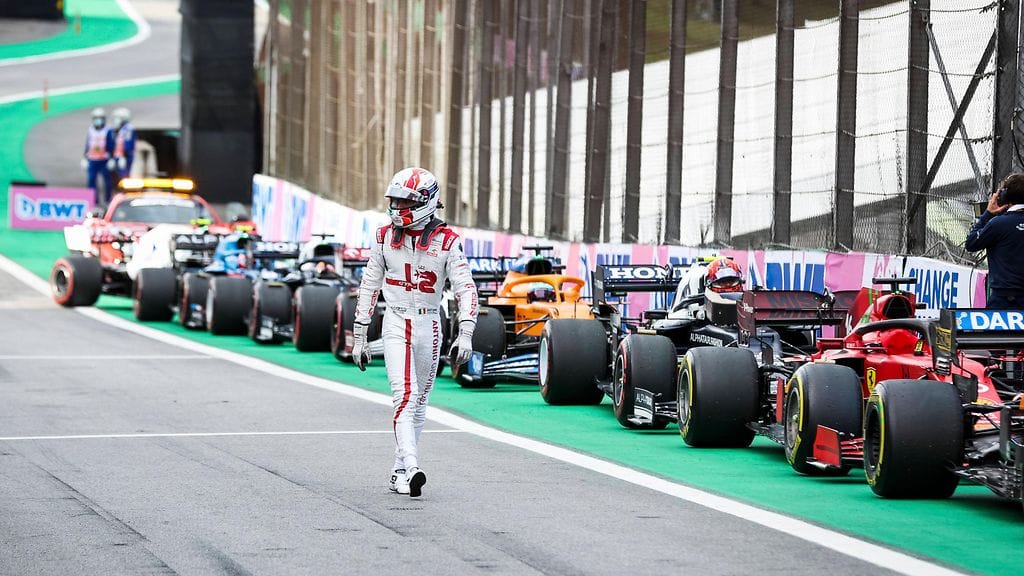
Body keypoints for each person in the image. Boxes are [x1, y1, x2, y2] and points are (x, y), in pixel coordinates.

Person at [351, 166, 478, 498]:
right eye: (394, 201)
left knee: (420, 401)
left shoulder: (448, 241)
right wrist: (360, 334)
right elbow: (368, 285)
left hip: (430, 323)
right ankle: (412, 466)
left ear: (425, 202)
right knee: (404, 397)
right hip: (394, 321)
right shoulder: (382, 237)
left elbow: (466, 289)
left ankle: (398, 472)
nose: (397, 209)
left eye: (405, 202)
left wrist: (466, 332)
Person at [965, 173, 1024, 309]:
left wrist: (988, 214)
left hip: (1004, 300)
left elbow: (971, 243)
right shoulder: (999, 223)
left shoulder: (998, 224)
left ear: (1003, 197)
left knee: (996, 331)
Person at [81, 107, 115, 205]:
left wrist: (111, 158)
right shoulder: (91, 129)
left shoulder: (108, 130)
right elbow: (88, 144)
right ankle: (93, 201)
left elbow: (111, 145)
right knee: (91, 181)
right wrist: (85, 157)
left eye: (100, 118)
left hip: (104, 159)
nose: (98, 120)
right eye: (96, 118)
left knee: (107, 181)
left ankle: (107, 200)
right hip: (92, 159)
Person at [110, 107, 136, 179]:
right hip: (117, 156)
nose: (115, 120)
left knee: (124, 177)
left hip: (125, 157)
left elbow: (128, 144)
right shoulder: (117, 129)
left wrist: (124, 156)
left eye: (117, 118)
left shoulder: (129, 129)